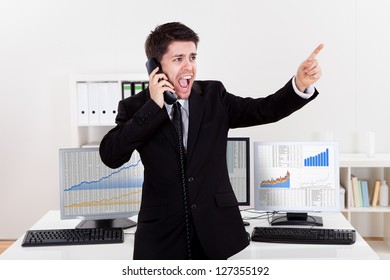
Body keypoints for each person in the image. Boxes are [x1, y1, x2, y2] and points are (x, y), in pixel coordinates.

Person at [99, 22, 323, 260]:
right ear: (156, 68)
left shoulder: (214, 96)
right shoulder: (136, 107)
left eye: (192, 57)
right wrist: (154, 106)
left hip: (216, 232)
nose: (189, 67)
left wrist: (299, 85)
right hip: (162, 237)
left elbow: (264, 109)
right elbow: (111, 156)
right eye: (178, 59)